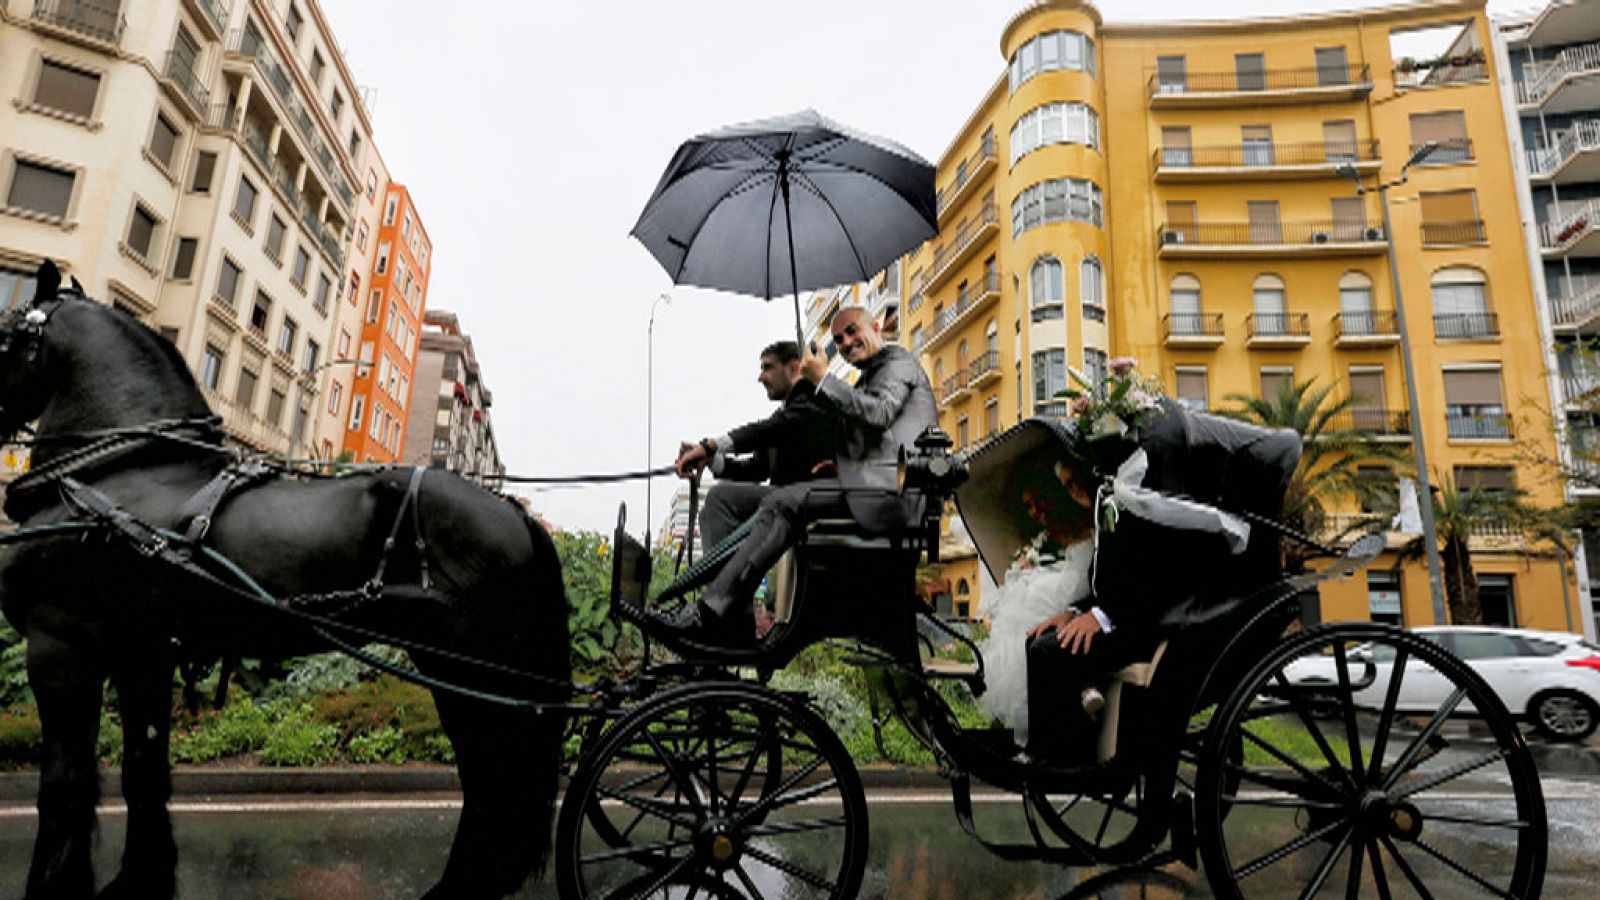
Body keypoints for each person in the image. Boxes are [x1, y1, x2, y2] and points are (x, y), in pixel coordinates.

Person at [652, 305, 936, 646]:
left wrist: (822, 380)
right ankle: (728, 614)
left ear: (877, 327)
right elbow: (760, 465)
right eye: (838, 339)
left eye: (852, 331)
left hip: (892, 500)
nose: (845, 343)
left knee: (782, 499)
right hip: (868, 491)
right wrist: (840, 466)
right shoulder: (864, 379)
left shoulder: (896, 364)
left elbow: (878, 412)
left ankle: (713, 613)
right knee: (727, 499)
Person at [673, 340, 837, 552]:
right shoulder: (784, 417)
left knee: (719, 498)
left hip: (809, 500)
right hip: (785, 502)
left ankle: (726, 582)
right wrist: (713, 460)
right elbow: (756, 470)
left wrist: (711, 446)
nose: (761, 377)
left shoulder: (813, 403)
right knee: (711, 511)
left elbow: (765, 430)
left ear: (794, 367)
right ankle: (725, 579)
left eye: (768, 367)